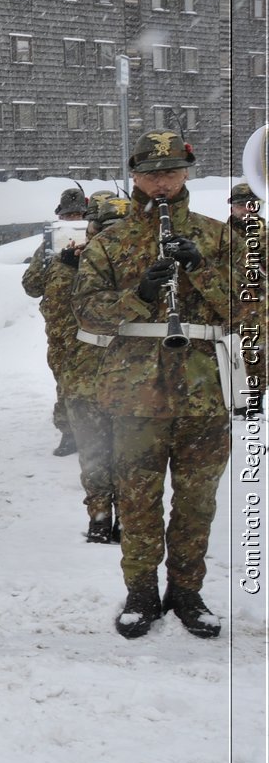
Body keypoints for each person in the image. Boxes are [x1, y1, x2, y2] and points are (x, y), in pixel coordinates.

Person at [72, 131, 248, 639]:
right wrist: (141, 295)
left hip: (205, 392)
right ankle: (141, 592)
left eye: (171, 172)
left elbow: (252, 309)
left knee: (197, 500)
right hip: (134, 392)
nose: (162, 182)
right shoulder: (110, 242)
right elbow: (86, 312)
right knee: (138, 497)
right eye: (152, 174)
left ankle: (188, 592)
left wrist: (200, 270)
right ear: (135, 177)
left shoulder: (220, 238)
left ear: (186, 174)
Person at [48, 198, 120, 543]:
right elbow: (57, 315)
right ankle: (100, 516)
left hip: (134, 369)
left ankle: (130, 516)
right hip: (85, 367)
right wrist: (66, 267)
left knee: (133, 452)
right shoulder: (75, 261)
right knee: (93, 448)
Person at [23, 187, 93, 455]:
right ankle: (69, 433)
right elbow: (30, 286)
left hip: (95, 327)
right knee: (65, 380)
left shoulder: (102, 243)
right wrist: (58, 263)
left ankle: (99, 433)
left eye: (79, 215)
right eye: (68, 216)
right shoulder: (49, 248)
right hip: (61, 330)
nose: (73, 220)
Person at [225, 181, 263, 417]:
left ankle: (256, 406)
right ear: (232, 208)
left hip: (260, 310)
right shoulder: (219, 235)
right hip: (230, 308)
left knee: (258, 358)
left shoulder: (264, 234)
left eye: (251, 205)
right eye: (240, 205)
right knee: (233, 358)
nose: (246, 210)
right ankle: (237, 406)